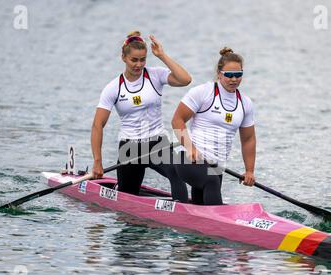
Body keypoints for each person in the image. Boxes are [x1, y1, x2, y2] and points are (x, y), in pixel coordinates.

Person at [91, 31, 191, 202]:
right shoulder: (113, 88)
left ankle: (184, 213)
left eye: (143, 60)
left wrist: (162, 55)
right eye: (134, 60)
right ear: (123, 57)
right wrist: (97, 161)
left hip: (157, 143)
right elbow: (97, 125)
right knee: (127, 196)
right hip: (130, 148)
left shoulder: (155, 75)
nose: (139, 65)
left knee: (178, 174)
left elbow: (185, 79)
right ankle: (123, 194)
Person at [171, 47, 256, 205]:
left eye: (238, 75)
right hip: (190, 160)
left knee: (202, 203)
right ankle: (218, 229)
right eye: (229, 75)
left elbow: (248, 139)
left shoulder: (245, 103)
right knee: (211, 183)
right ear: (219, 73)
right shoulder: (203, 92)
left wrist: (249, 170)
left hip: (216, 166)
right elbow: (177, 120)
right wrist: (190, 148)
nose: (233, 79)